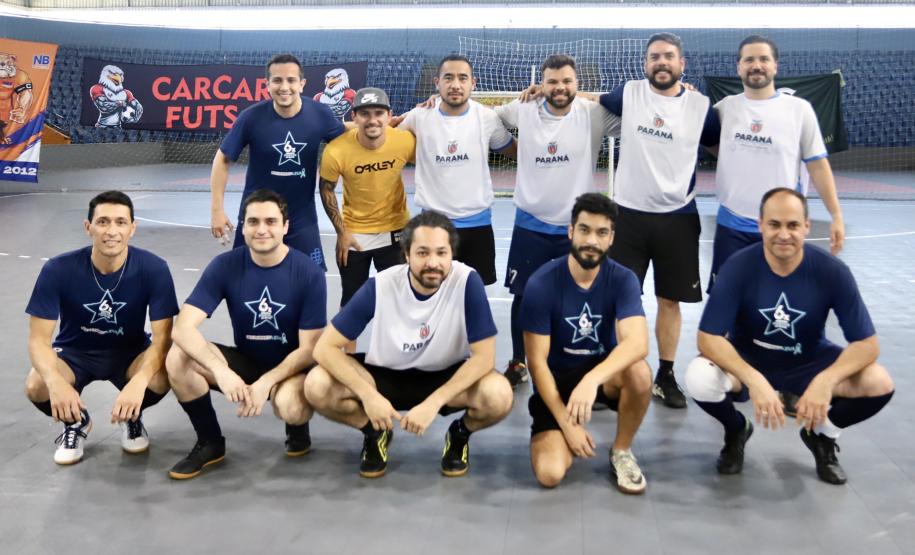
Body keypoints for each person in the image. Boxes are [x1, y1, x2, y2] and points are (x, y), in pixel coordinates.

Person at [685, 188, 893, 485]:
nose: (784, 234)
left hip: (808, 361)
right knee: (698, 377)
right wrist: (754, 380)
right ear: (760, 225)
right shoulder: (738, 267)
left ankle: (822, 435)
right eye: (775, 225)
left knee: (878, 382)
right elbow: (708, 337)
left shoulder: (831, 271)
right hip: (750, 359)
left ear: (807, 226)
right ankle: (736, 429)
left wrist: (826, 380)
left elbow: (867, 344)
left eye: (793, 225)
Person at [304, 211, 513, 478]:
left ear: (452, 255)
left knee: (499, 394)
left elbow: (485, 358)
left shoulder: (466, 281)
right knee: (316, 385)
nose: (433, 262)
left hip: (443, 375)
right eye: (423, 253)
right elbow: (325, 348)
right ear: (407, 254)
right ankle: (374, 431)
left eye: (441, 253)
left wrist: (434, 403)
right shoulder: (381, 284)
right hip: (386, 376)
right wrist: (369, 396)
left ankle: (459, 435)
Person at [166, 189, 327, 479]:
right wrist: (221, 370)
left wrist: (266, 382)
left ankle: (297, 429)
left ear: (285, 226)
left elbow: (309, 349)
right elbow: (183, 327)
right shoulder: (225, 266)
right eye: (252, 222)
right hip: (244, 360)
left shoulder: (308, 272)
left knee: (292, 408)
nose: (261, 229)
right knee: (178, 357)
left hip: (289, 368)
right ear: (243, 226)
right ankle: (210, 442)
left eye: (270, 221)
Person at [596, 33, 720, 409]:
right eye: (654, 57)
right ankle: (614, 373)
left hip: (678, 217)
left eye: (668, 56)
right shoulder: (629, 94)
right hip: (628, 216)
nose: (661, 62)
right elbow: (588, 100)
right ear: (646, 64)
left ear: (682, 64)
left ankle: (665, 375)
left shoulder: (701, 107)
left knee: (670, 300)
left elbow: (719, 143)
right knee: (619, 299)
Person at [25, 191, 178, 465]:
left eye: (121, 222)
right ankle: (75, 422)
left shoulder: (154, 269)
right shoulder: (59, 269)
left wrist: (139, 384)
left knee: (163, 375)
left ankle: (132, 417)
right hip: (73, 353)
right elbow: (38, 341)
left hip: (130, 352)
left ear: (133, 229)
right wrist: (55, 381)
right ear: (88, 227)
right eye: (103, 222)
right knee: (37, 384)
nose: (112, 231)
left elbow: (163, 340)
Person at [495, 53, 620, 388]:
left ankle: (594, 363)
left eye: (567, 81)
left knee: (588, 296)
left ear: (577, 84)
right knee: (524, 295)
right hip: (531, 222)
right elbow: (489, 120)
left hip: (577, 229)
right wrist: (512, 149)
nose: (559, 87)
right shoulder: (523, 109)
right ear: (542, 83)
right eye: (552, 81)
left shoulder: (592, 114)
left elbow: (637, 112)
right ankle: (519, 360)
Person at [523, 193, 652, 493]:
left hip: (601, 378)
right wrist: (567, 426)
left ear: (611, 239)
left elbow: (638, 342)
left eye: (601, 232)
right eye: (584, 230)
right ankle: (564, 429)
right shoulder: (542, 284)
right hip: (556, 384)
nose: (591, 240)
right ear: (571, 231)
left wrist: (592, 380)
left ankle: (621, 451)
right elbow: (537, 364)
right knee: (550, 474)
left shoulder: (623, 279)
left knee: (640, 373)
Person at [710, 35, 845, 288]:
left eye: (764, 59)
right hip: (732, 226)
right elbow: (704, 136)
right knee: (726, 305)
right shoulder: (725, 108)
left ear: (775, 66)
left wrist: (836, 215)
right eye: (749, 59)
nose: (756, 65)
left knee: (780, 307)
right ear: (739, 67)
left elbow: (818, 165)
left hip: (781, 231)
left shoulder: (799, 110)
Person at [209, 53, 346, 269]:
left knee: (311, 278)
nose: (284, 87)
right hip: (257, 217)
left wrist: (385, 126)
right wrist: (217, 210)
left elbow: (348, 135)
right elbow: (222, 160)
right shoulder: (250, 118)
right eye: (277, 80)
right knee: (245, 280)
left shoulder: (320, 114)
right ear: (267, 84)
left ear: (302, 84)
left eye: (291, 80)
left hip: (302, 220)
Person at [397, 54, 517, 287]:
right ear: (437, 83)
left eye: (463, 78)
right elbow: (389, 136)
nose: (455, 84)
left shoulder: (486, 117)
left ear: (473, 83)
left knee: (474, 297)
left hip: (477, 224)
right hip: (432, 225)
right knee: (431, 295)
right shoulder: (419, 116)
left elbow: (513, 150)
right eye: (448, 78)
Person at [318, 87, 414, 313]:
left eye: (378, 113)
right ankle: (345, 350)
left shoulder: (405, 141)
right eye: (365, 114)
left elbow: (435, 162)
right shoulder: (336, 150)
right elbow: (326, 190)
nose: (372, 120)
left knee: (400, 304)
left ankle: (393, 350)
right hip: (354, 235)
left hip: (395, 232)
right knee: (351, 305)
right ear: (354, 117)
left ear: (389, 116)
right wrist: (341, 232)